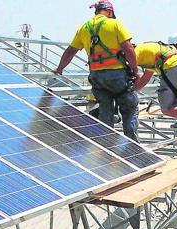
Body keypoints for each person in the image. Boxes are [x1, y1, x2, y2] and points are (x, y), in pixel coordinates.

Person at [53, 0, 142, 142]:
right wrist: (136, 71)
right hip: (118, 76)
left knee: (105, 111)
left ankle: (106, 147)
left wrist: (60, 68)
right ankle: (134, 149)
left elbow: (70, 51)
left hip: (97, 77)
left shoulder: (84, 27)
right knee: (129, 109)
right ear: (110, 12)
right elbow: (128, 48)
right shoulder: (115, 23)